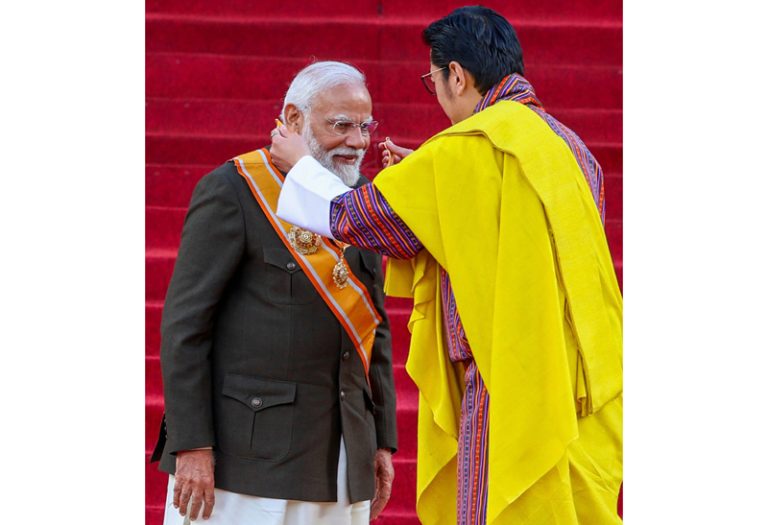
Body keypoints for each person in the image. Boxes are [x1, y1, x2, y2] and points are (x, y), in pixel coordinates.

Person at [269, 7, 622, 525]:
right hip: (581, 382)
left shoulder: (469, 149)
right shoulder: (569, 147)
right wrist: (433, 186)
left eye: (431, 80)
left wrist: (301, 163)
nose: (434, 93)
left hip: (510, 378)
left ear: (456, 74)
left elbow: (355, 218)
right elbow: (519, 236)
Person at [150, 61, 398, 525]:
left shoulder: (359, 201)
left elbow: (373, 330)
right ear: (295, 119)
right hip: (245, 462)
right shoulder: (234, 191)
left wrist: (380, 441)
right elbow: (186, 326)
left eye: (364, 126)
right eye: (340, 125)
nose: (357, 141)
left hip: (342, 458)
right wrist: (193, 446)